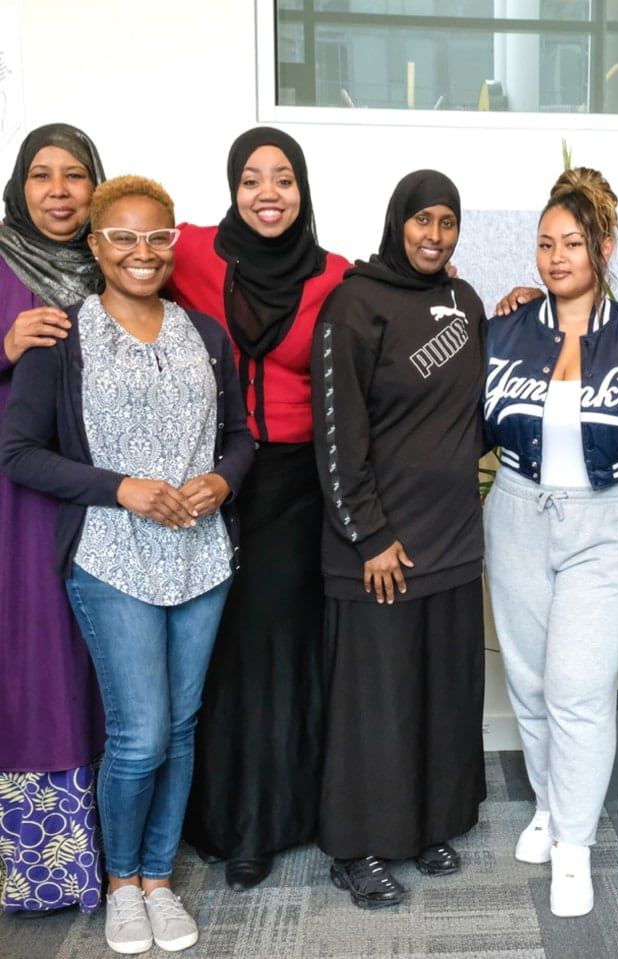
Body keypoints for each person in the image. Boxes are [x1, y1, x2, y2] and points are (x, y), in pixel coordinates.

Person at [1, 175, 254, 954]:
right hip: (111, 560)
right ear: (96, 245)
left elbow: (244, 436)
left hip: (201, 558)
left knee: (179, 727)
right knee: (139, 735)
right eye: (124, 237)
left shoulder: (206, 334)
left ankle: (155, 879)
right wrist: (123, 488)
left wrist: (223, 478)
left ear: (175, 243)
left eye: (157, 237)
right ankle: (119, 885)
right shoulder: (61, 336)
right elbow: (18, 453)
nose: (142, 252)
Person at [484, 168, 618, 917]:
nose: (555, 256)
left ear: (601, 247)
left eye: (571, 242)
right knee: (530, 683)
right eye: (543, 243)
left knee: (576, 687)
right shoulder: (504, 330)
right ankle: (548, 805)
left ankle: (574, 844)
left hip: (609, 517)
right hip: (516, 510)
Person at [173, 127, 351, 892]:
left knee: (274, 649)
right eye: (252, 179)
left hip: (295, 486)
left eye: (283, 178)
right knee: (213, 649)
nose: (268, 193)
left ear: (303, 189)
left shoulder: (334, 275)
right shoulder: (188, 252)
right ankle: (218, 815)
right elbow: (102, 242)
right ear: (232, 188)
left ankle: (270, 822)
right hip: (204, 478)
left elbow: (409, 310)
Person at [311, 169, 486, 910]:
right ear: (397, 222)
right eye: (422, 220)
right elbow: (335, 430)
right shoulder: (355, 302)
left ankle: (425, 826)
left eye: (446, 221)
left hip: (451, 540)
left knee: (440, 694)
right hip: (379, 547)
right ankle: (359, 848)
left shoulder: (465, 299)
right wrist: (369, 535)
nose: (434, 234)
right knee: (374, 702)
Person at [0, 123, 106, 915]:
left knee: (98, 661)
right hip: (19, 504)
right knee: (35, 662)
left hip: (104, 497)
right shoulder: (2, 261)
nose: (60, 191)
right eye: (42, 175)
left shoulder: (115, 265)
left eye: (75, 176)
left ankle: (118, 856)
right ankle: (45, 869)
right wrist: (3, 347)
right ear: (19, 185)